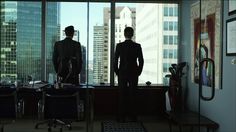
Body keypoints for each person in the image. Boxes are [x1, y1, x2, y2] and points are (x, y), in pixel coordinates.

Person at [114, 27, 144, 122]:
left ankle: (121, 116)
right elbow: (141, 60)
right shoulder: (137, 46)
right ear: (132, 34)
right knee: (133, 95)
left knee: (122, 95)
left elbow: (115, 60)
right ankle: (133, 116)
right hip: (133, 73)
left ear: (124, 34)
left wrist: (117, 72)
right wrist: (138, 71)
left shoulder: (119, 46)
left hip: (122, 73)